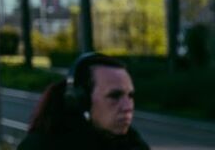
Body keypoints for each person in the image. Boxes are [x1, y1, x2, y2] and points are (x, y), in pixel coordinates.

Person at [18, 52, 149, 149]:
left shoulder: (133, 144)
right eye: (114, 96)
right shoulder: (41, 146)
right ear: (80, 100)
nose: (128, 107)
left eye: (130, 96)